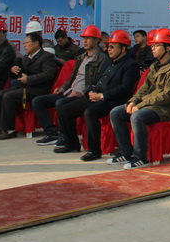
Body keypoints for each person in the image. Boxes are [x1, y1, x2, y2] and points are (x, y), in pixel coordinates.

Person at [54, 30, 139, 159]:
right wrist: (90, 91)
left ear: (122, 49)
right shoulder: (107, 61)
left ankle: (94, 150)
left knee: (90, 112)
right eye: (109, 46)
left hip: (113, 99)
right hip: (97, 96)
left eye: (112, 47)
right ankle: (72, 144)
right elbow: (95, 80)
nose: (108, 50)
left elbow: (125, 88)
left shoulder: (130, 64)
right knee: (65, 109)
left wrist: (103, 96)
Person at [108, 28, 170, 169]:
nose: (153, 49)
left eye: (157, 46)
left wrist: (141, 105)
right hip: (151, 105)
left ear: (168, 48)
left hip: (166, 108)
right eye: (153, 46)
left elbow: (167, 96)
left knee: (137, 116)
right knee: (116, 113)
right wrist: (133, 101)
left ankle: (140, 157)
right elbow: (143, 88)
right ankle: (126, 153)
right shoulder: (155, 66)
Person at [32, 26, 105, 146]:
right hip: (70, 91)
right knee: (38, 101)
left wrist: (82, 93)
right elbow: (72, 77)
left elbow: (96, 82)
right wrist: (63, 87)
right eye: (84, 38)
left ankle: (65, 137)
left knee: (61, 104)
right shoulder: (82, 56)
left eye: (88, 38)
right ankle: (51, 133)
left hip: (82, 94)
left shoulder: (102, 59)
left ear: (97, 40)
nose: (85, 41)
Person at [0, 33, 56, 139]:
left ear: (36, 43)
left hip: (37, 90)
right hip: (25, 87)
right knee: (0, 94)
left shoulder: (46, 57)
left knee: (8, 96)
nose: (24, 45)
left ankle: (10, 130)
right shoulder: (26, 58)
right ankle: (1, 128)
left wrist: (28, 79)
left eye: (27, 43)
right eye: (24, 43)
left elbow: (48, 75)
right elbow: (21, 73)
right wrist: (13, 70)